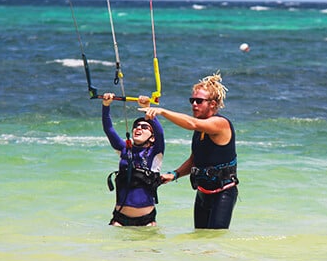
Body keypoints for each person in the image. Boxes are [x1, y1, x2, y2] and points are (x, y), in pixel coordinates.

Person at [139, 72, 238, 229]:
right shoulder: (201, 127)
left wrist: (162, 111)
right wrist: (175, 174)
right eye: (192, 100)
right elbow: (195, 159)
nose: (194, 104)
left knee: (214, 240)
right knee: (199, 238)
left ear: (212, 104)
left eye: (199, 101)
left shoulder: (220, 124)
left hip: (223, 193)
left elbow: (191, 123)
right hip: (203, 192)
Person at [102, 93, 164, 226]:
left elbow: (160, 133)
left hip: (146, 221)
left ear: (152, 138)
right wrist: (106, 105)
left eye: (144, 127)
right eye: (136, 126)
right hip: (119, 219)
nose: (138, 128)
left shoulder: (155, 152)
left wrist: (147, 108)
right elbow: (109, 129)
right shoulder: (124, 149)